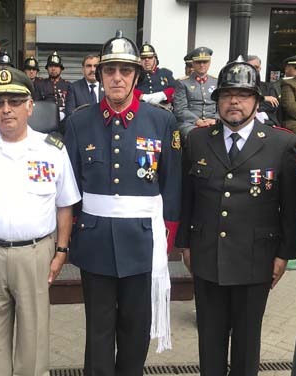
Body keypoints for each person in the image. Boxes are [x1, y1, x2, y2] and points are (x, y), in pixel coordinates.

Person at [64, 31, 181, 374]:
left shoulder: (161, 121)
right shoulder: (78, 122)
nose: (117, 77)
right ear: (99, 74)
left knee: (135, 330)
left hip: (142, 240)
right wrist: (68, 236)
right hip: (95, 239)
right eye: (110, 70)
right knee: (98, 330)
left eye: (125, 71)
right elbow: (69, 188)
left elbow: (172, 185)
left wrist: (167, 238)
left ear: (136, 76)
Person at [0, 66, 80, 376]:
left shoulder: (52, 151)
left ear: (30, 106)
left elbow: (65, 205)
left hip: (35, 254)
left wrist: (61, 251)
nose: (6, 109)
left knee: (32, 342)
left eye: (14, 101)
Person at [175, 57, 296, 376]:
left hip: (255, 258)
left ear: (257, 101)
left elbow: (290, 205)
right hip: (207, 256)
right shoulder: (198, 140)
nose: (234, 102)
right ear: (217, 101)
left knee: (246, 345)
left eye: (243, 95)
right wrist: (185, 244)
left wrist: (285, 254)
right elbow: (188, 196)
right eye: (227, 95)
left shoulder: (281, 142)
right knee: (210, 342)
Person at [174, 46, 218, 137]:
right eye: (198, 62)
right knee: (195, 137)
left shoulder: (216, 82)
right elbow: (180, 109)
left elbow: (222, 106)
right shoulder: (183, 83)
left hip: (213, 121)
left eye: (205, 62)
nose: (202, 65)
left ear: (210, 62)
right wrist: (197, 121)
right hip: (190, 123)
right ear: (193, 63)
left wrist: (215, 120)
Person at [34, 51, 71, 121]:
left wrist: (64, 113)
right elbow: (36, 105)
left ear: (61, 69)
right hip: (45, 119)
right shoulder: (39, 84)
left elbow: (71, 105)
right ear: (47, 69)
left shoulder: (68, 85)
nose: (53, 69)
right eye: (50, 66)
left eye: (56, 66)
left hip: (65, 120)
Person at [247, 54, 281, 125]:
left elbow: (273, 106)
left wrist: (255, 106)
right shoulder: (239, 87)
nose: (253, 70)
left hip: (267, 123)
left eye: (256, 67)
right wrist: (263, 99)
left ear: (260, 69)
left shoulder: (268, 86)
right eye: (250, 67)